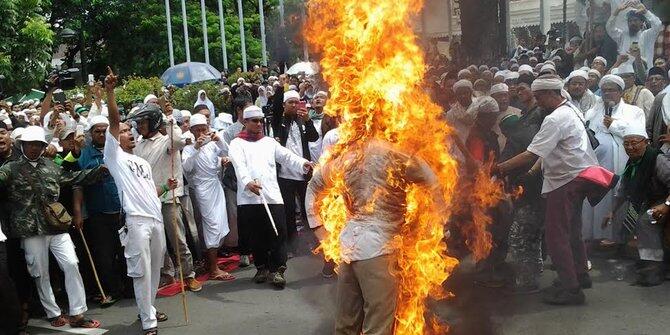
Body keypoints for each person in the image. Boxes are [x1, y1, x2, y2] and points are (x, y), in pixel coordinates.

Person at [306, 140, 444, 335]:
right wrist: (432, 226)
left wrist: (318, 227)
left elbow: (314, 186)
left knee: (346, 325)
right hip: (379, 251)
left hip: (349, 249)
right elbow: (433, 182)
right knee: (378, 326)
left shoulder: (348, 158)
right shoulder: (397, 155)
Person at [496, 75, 600, 305]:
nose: (536, 101)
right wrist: (532, 173)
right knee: (572, 229)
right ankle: (580, 274)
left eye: (539, 96)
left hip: (565, 181)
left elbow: (531, 153)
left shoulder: (555, 119)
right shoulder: (572, 109)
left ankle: (571, 289)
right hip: (579, 176)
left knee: (555, 236)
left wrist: (498, 168)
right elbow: (545, 152)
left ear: (551, 94)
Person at [0, 125, 105, 328]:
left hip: (56, 226)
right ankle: (53, 312)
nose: (33, 148)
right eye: (29, 144)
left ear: (43, 146)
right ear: (22, 146)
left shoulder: (51, 165)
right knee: (40, 273)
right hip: (30, 230)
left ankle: (78, 313)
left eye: (38, 145)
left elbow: (72, 178)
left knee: (71, 264)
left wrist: (98, 172)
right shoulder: (9, 168)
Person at [102, 68, 175, 335]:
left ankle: (150, 308)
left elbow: (150, 192)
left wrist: (166, 187)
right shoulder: (114, 158)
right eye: (123, 131)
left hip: (155, 218)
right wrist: (110, 92)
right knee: (141, 272)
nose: (129, 132)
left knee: (155, 270)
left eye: (130, 130)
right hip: (135, 222)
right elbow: (113, 121)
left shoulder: (141, 160)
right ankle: (148, 321)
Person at [228, 105, 313, 289]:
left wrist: (303, 164)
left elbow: (287, 156)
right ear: (245, 122)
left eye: (261, 121)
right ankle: (262, 267)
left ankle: (278, 270)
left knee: (279, 232)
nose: (259, 124)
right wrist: (248, 182)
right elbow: (239, 166)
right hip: (249, 198)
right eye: (255, 121)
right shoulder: (236, 143)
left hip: (272, 195)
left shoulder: (269, 142)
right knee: (257, 235)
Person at [131, 102, 202, 292]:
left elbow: (178, 141)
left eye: (143, 122)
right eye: (138, 123)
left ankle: (188, 275)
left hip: (169, 198)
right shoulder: (138, 144)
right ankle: (167, 274)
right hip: (149, 200)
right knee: (157, 242)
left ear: (154, 122)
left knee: (177, 239)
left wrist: (170, 117)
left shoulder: (167, 141)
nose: (139, 126)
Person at [583, 74, 646, 244]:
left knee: (618, 197)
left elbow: (639, 136)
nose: (607, 94)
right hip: (596, 165)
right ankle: (596, 235)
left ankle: (617, 238)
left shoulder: (634, 112)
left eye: (611, 90)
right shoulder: (591, 112)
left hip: (621, 163)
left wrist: (614, 125)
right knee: (597, 199)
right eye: (604, 91)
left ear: (620, 92)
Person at [77, 115, 127, 306]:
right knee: (104, 256)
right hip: (98, 213)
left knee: (126, 252)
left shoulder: (117, 150)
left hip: (122, 210)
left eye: (104, 131)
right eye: (96, 131)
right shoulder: (84, 154)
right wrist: (78, 212)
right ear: (91, 134)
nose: (101, 134)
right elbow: (78, 183)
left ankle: (130, 288)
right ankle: (112, 290)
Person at [182, 114, 235, 281]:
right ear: (191, 131)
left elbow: (227, 151)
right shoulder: (189, 148)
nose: (201, 133)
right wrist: (196, 148)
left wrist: (218, 141)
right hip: (202, 189)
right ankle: (213, 268)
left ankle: (211, 261)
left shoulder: (212, 144)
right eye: (197, 130)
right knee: (211, 225)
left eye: (203, 129)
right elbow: (187, 169)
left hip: (216, 185)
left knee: (220, 224)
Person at [272, 90, 319, 256]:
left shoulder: (302, 120)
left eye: (296, 102)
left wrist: (308, 121)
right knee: (289, 211)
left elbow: (313, 138)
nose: (294, 105)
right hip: (285, 174)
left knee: (308, 209)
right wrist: (280, 86)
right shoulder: (278, 121)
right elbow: (276, 108)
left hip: (303, 172)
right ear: (284, 105)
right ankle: (292, 246)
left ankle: (312, 242)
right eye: (290, 102)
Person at [606, 2, 663, 68]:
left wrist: (646, 12)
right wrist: (617, 11)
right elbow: (609, 28)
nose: (632, 23)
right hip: (625, 73)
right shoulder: (622, 36)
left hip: (643, 73)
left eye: (635, 20)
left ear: (642, 22)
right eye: (630, 21)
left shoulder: (647, 35)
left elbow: (658, 24)